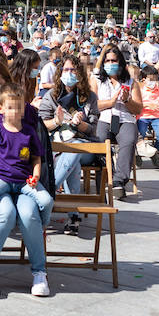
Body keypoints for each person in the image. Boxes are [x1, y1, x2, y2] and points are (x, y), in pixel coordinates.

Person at [0, 83, 52, 298]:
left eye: (19, 107)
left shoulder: (28, 131)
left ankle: (39, 272)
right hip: (0, 180)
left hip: (24, 182)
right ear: (0, 108)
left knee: (30, 214)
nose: (15, 112)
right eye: (10, 107)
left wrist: (36, 175)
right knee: (4, 212)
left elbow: (36, 157)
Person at [40, 54, 98, 235]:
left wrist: (81, 124)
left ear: (80, 73)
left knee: (75, 152)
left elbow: (94, 128)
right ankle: (73, 217)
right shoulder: (52, 95)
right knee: (73, 163)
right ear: (60, 72)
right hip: (57, 146)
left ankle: (47, 192)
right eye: (66, 69)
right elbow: (42, 125)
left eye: (73, 70)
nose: (70, 73)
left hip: (84, 145)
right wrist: (57, 121)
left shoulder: (89, 97)